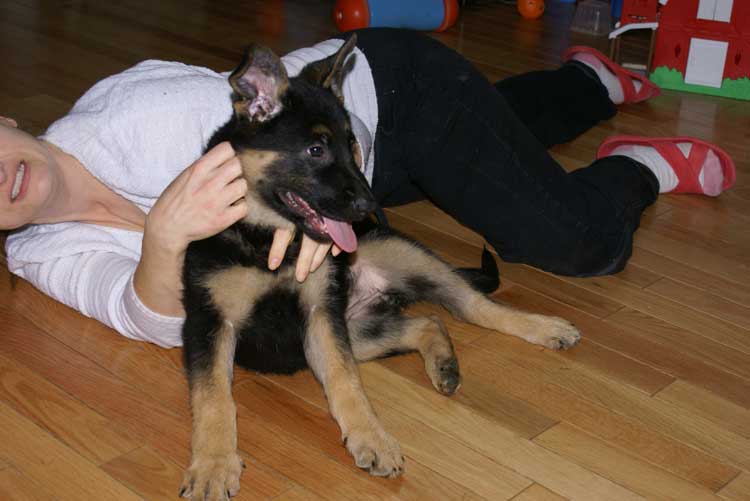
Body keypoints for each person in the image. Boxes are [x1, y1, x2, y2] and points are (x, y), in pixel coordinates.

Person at [1, 28, 735, 349]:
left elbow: (291, 128)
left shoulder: (135, 114)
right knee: (495, 144)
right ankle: (588, 81)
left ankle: (636, 165)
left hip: (381, 93)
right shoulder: (40, 252)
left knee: (576, 243)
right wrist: (162, 235)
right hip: (348, 180)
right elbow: (155, 321)